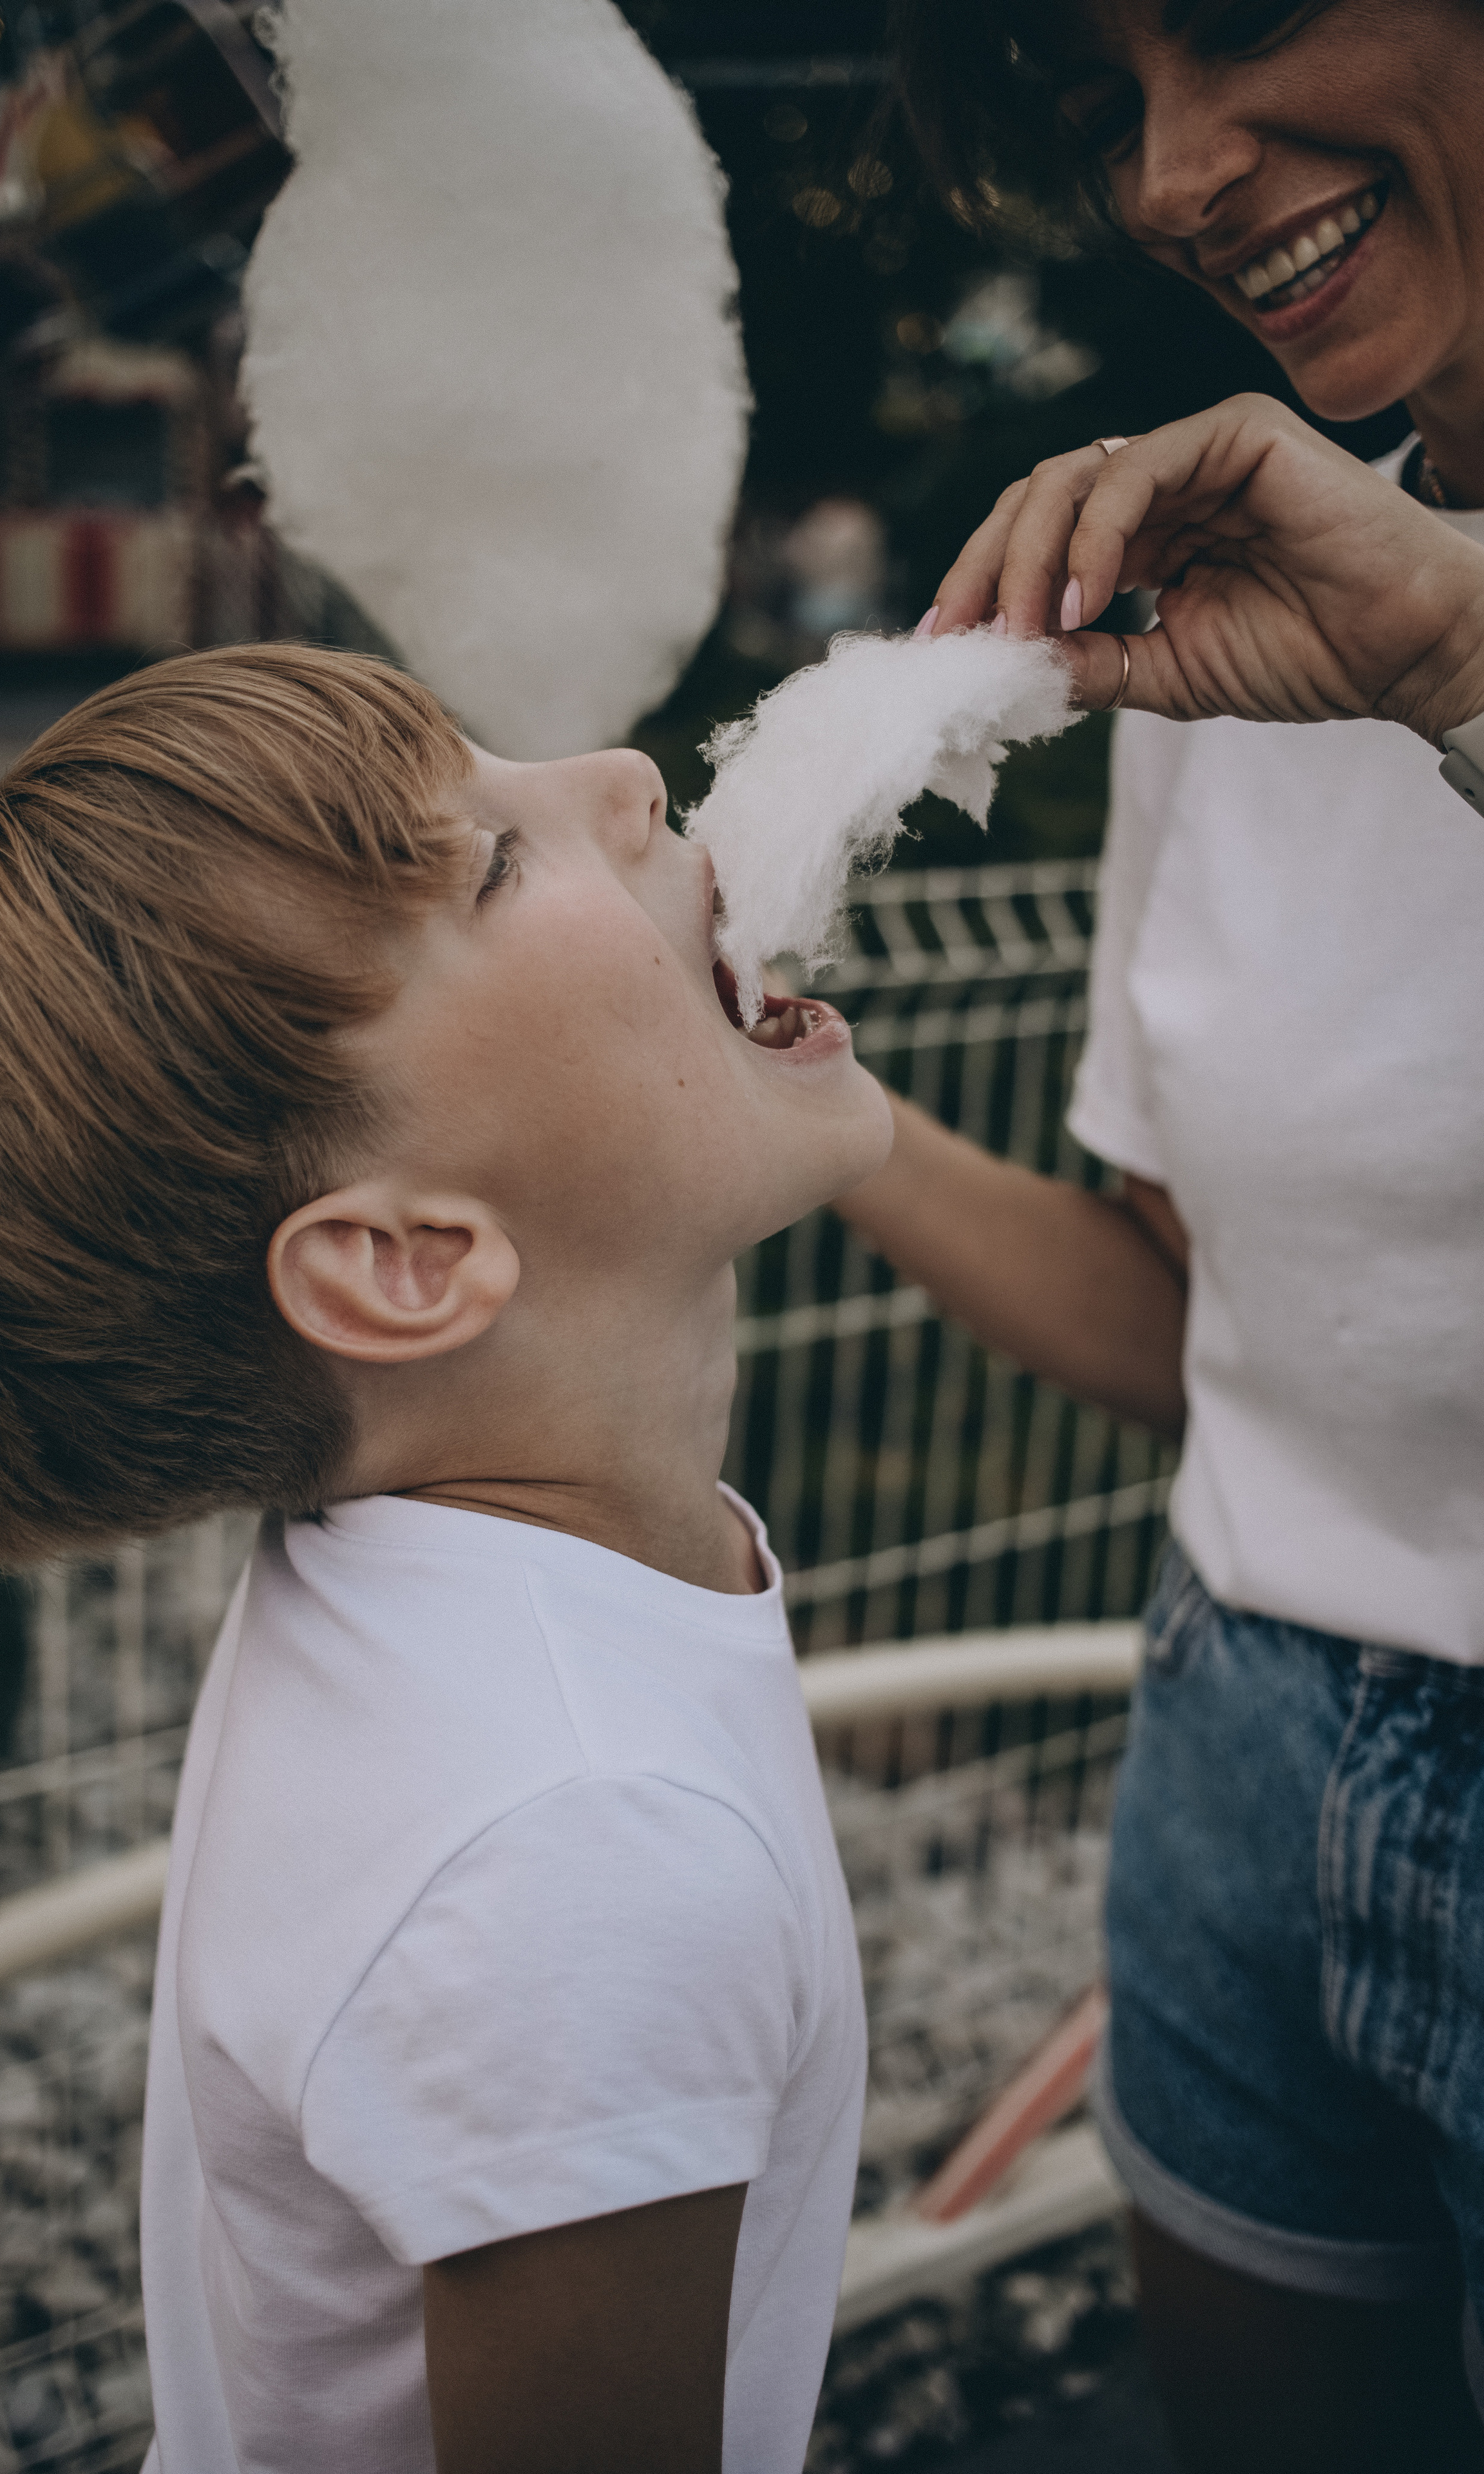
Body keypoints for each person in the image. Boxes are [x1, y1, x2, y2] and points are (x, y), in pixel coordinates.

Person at [0, 642, 892, 2473]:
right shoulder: (579, 1855)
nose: (628, 775)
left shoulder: (434, 1590)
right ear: (406, 1265)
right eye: (490, 856)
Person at [831, 6, 1484, 2468]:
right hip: (1234, 1746)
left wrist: (1462, 662)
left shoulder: (1384, 619)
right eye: (1106, 100)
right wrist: (822, 1119)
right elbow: (1220, 1338)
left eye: (1241, 17)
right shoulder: (1230, 628)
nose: (1172, 176)